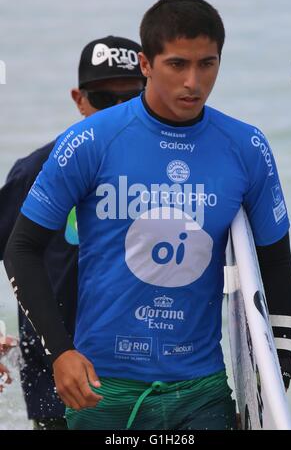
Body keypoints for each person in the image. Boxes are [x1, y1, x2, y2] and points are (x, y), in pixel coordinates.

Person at [3, 0, 291, 430]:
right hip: (100, 388)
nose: (193, 82)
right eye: (177, 64)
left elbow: (274, 259)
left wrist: (277, 367)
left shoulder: (246, 147)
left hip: (201, 389)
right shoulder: (89, 141)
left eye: (207, 64)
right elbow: (21, 248)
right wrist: (60, 351)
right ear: (146, 64)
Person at [0, 36, 145, 428]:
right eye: (102, 98)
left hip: (147, 378)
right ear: (79, 99)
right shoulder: (36, 170)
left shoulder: (171, 175)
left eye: (132, 97)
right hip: (57, 382)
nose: (117, 111)